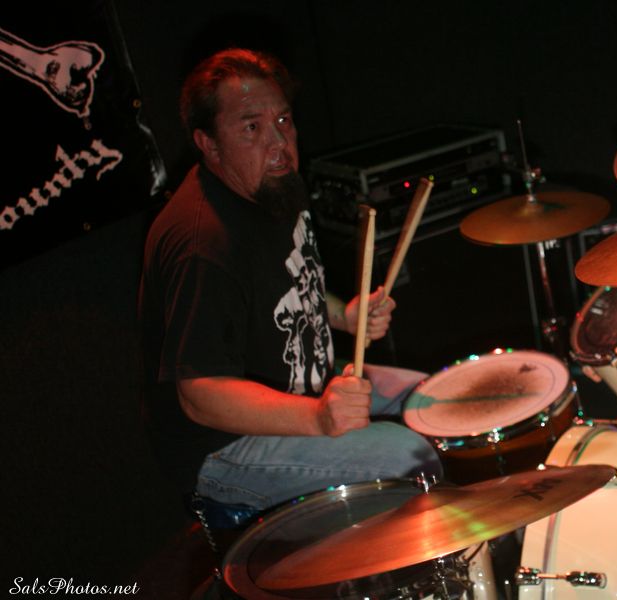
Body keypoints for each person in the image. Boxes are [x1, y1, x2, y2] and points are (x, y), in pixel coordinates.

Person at [139, 48, 442, 512]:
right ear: (208, 143)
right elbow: (200, 395)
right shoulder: (203, 245)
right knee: (409, 458)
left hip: (304, 386)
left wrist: (344, 316)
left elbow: (292, 279)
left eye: (283, 120)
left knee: (441, 404)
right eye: (251, 127)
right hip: (223, 447)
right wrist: (318, 417)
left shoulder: (271, 184)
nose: (278, 142)